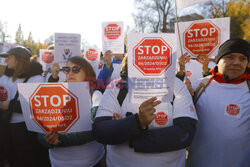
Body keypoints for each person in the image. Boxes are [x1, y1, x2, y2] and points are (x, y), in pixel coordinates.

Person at [93, 56, 198, 167]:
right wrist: (137, 122)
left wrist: (129, 134)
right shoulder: (116, 86)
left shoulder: (176, 85)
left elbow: (185, 134)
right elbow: (100, 131)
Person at [187, 38, 250, 167]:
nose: (237, 62)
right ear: (218, 60)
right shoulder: (197, 86)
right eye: (230, 57)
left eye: (242, 58)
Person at [38, 56, 105, 167]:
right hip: (57, 163)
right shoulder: (54, 95)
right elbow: (40, 129)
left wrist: (60, 140)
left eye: (76, 69)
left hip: (90, 162)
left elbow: (95, 129)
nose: (70, 73)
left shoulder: (95, 95)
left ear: (86, 72)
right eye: (67, 69)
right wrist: (47, 140)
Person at [0, 46, 50, 167]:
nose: (6, 61)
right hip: (6, 127)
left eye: (9, 58)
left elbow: (37, 106)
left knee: (25, 160)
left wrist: (10, 105)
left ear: (19, 60)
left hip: (26, 130)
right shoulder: (5, 77)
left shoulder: (36, 79)